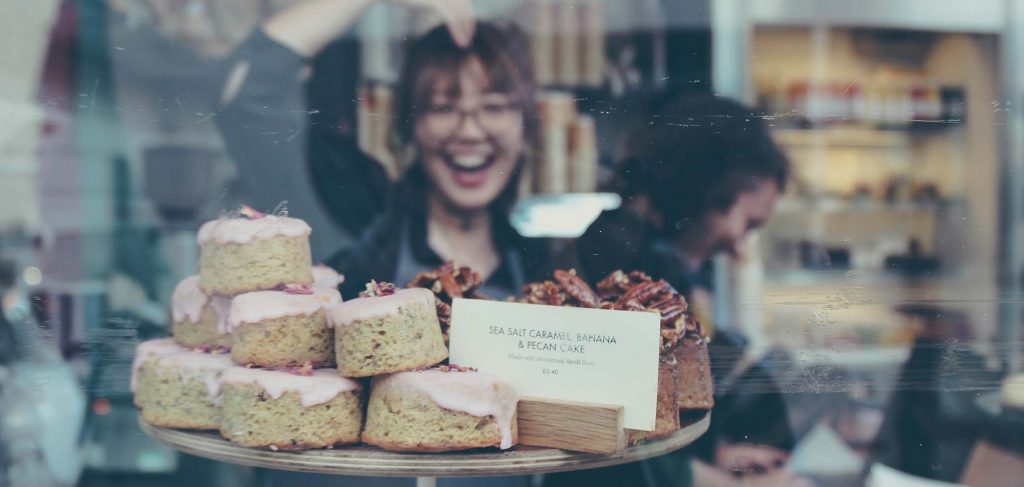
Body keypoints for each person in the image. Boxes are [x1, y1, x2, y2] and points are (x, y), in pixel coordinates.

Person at [217, 0, 561, 302]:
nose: (470, 131)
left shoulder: (546, 266)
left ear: (526, 127)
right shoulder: (358, 215)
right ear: (411, 125)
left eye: (494, 107)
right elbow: (242, 95)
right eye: (443, 107)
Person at [553, 94, 808, 487]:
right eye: (748, 224)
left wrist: (714, 456)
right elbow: (621, 448)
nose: (740, 247)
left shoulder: (645, 252)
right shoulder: (626, 266)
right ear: (708, 193)